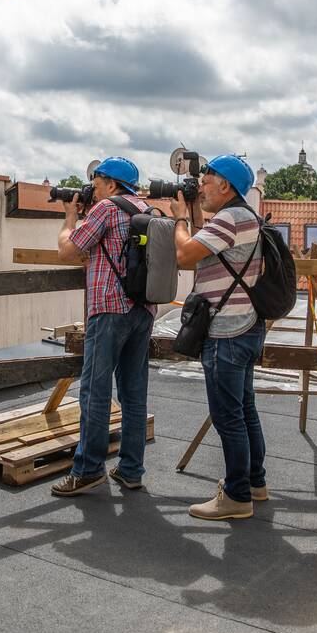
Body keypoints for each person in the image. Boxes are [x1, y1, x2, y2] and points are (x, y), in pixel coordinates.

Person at [169, 154, 266, 520]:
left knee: (228, 417)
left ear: (226, 185)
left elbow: (184, 254)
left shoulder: (231, 218)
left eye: (207, 178)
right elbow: (205, 246)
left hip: (226, 331)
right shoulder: (245, 217)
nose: (202, 184)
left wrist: (179, 216)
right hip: (247, 325)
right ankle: (255, 482)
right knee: (244, 410)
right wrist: (193, 213)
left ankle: (237, 496)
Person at [52, 157, 155, 497]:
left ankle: (88, 470)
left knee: (95, 392)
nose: (92, 191)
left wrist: (70, 216)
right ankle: (131, 470)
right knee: (134, 394)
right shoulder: (150, 211)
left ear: (111, 184)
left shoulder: (107, 209)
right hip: (144, 310)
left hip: (109, 308)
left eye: (96, 184)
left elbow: (69, 251)